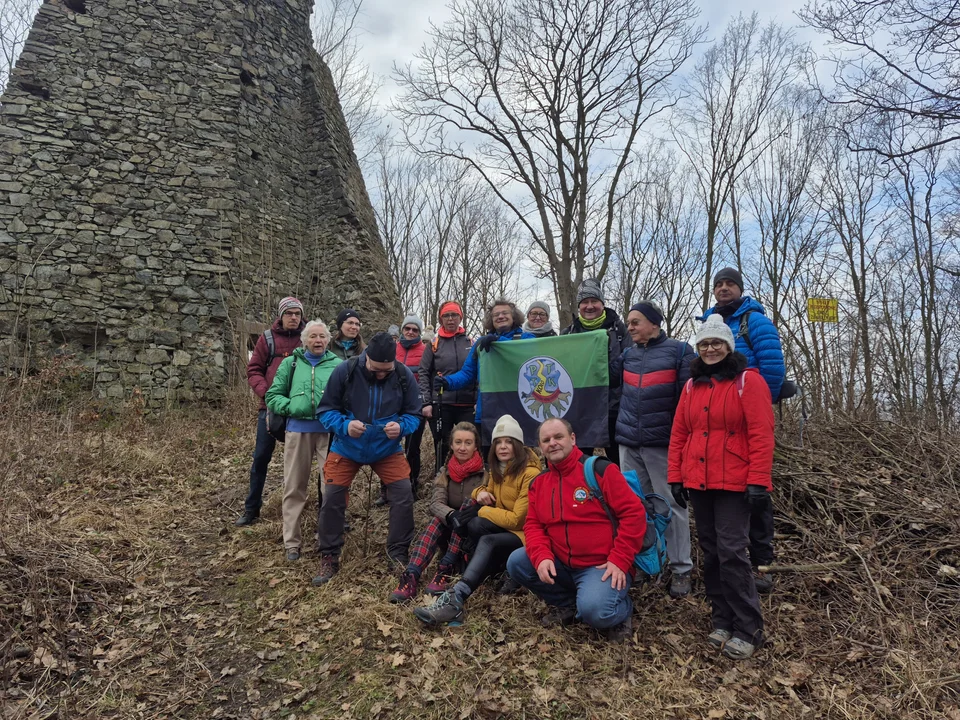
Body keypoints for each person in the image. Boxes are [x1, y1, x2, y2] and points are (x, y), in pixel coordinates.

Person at [667, 314, 775, 660]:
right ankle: (722, 619)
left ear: (728, 346)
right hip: (699, 481)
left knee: (732, 552)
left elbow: (761, 434)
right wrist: (675, 476)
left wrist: (758, 480)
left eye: (716, 343)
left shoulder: (748, 382)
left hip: (735, 484)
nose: (710, 349)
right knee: (711, 553)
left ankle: (748, 626)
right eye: (704, 344)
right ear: (698, 349)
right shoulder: (691, 386)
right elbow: (680, 433)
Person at [506, 418, 646, 643]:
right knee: (517, 562)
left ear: (572, 439)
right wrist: (541, 557)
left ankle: (621, 610)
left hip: (601, 565)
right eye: (546, 440)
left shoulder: (600, 470)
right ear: (540, 447)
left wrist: (620, 559)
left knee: (596, 612)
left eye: (558, 437)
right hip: (562, 563)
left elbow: (634, 515)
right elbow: (533, 525)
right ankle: (568, 603)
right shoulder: (539, 483)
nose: (552, 443)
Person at [313, 332, 423, 585]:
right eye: (377, 369)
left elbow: (414, 414)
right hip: (347, 445)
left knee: (403, 494)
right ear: (367, 359)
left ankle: (397, 552)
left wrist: (402, 426)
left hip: (387, 448)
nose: (382, 374)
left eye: (387, 370)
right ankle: (329, 554)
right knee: (332, 497)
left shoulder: (404, 375)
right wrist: (345, 425)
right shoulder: (345, 371)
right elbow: (326, 410)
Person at [700, 267, 785, 592]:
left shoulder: (756, 321)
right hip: (718, 418)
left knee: (757, 489)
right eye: (718, 284)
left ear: (739, 288)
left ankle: (762, 563)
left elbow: (773, 365)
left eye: (729, 284)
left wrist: (763, 400)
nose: (723, 288)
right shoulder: (710, 322)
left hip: (748, 409)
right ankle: (730, 559)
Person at [412, 415, 541, 626]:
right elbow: (485, 491)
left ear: (518, 444)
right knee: (473, 523)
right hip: (505, 526)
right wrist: (479, 493)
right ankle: (485, 568)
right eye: (498, 442)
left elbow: (518, 519)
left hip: (525, 534)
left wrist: (483, 511)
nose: (503, 446)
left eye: (509, 441)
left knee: (484, 534)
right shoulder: (499, 469)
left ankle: (457, 597)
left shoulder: (530, 473)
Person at [611, 300, 696, 598]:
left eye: (635, 322)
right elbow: (602, 378)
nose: (630, 327)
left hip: (663, 445)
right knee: (636, 507)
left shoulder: (680, 351)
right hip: (628, 444)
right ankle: (649, 565)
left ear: (654, 323)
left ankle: (681, 568)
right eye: (629, 322)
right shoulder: (627, 356)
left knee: (672, 505)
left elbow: (690, 401)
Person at [265, 321, 341, 561]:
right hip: (297, 432)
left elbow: (348, 397)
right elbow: (273, 395)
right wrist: (292, 407)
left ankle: (327, 539)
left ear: (328, 340)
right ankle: (292, 542)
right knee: (294, 486)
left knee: (330, 487)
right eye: (313, 337)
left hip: (329, 434)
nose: (318, 341)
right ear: (304, 340)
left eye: (322, 337)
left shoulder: (339, 366)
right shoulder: (291, 363)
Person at [389, 422, 488, 603]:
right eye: (458, 442)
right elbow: (435, 503)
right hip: (448, 531)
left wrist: (469, 512)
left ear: (476, 446)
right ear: (451, 445)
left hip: (471, 535)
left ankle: (446, 569)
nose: (462, 447)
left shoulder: (486, 474)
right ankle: (411, 574)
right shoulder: (445, 472)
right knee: (437, 519)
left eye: (468, 443)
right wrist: (451, 515)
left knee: (468, 505)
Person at [236, 296, 305, 527]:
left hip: (300, 409)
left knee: (301, 462)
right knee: (261, 458)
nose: (294, 317)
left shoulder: (308, 338)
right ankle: (251, 509)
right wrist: (266, 394)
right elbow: (254, 368)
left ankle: (299, 509)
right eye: (289, 313)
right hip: (271, 408)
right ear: (281, 315)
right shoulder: (267, 339)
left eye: (297, 313)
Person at [435, 299, 535, 449]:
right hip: (488, 409)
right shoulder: (481, 344)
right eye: (496, 315)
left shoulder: (528, 339)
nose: (500, 316)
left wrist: (499, 341)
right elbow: (467, 373)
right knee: (489, 459)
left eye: (504, 313)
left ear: (514, 317)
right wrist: (447, 382)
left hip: (519, 408)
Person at [560, 279, 630, 464]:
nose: (589, 306)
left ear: (602, 304)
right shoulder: (567, 333)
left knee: (620, 464)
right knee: (579, 463)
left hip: (614, 409)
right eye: (585, 302)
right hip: (580, 410)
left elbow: (630, 363)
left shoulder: (621, 330)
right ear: (579, 306)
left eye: (594, 301)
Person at [419, 301, 477, 470]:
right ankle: (441, 479)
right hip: (441, 404)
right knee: (442, 444)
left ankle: (468, 480)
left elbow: (478, 372)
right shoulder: (434, 344)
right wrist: (426, 402)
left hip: (467, 404)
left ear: (461, 317)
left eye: (454, 315)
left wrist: (478, 399)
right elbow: (423, 373)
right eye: (446, 316)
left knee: (469, 444)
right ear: (441, 319)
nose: (450, 319)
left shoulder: (471, 343)